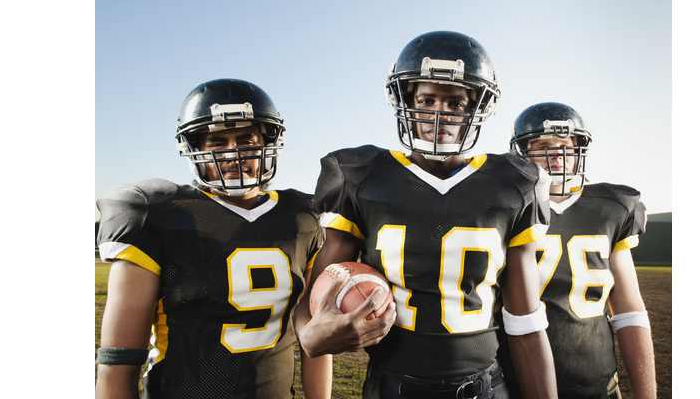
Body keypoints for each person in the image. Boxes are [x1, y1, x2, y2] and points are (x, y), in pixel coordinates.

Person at [293, 31, 558, 399]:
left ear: (478, 109)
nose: (439, 114)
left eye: (456, 104)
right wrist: (307, 333)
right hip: (392, 386)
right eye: (426, 99)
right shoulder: (362, 176)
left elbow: (527, 324)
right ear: (404, 100)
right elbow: (316, 297)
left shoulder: (514, 185)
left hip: (483, 387)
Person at [95, 78, 331, 399]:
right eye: (216, 143)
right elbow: (118, 362)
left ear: (268, 142)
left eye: (245, 139)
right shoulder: (162, 214)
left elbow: (314, 341)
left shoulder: (302, 216)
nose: (233, 153)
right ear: (194, 149)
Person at [501, 102, 657, 399]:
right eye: (544, 144)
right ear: (521, 153)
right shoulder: (506, 207)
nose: (557, 153)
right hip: (515, 386)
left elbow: (630, 311)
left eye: (565, 144)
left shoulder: (611, 208)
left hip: (598, 386)